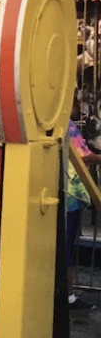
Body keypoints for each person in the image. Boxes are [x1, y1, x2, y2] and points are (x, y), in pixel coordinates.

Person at [66, 94, 101, 311]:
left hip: (63, 192)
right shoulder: (66, 125)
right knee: (67, 246)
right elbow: (83, 156)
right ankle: (68, 295)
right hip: (71, 193)